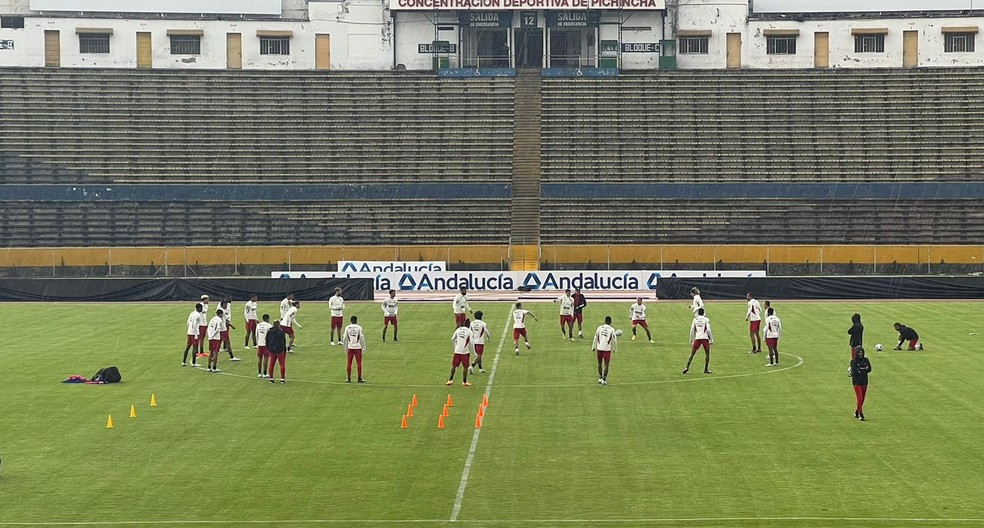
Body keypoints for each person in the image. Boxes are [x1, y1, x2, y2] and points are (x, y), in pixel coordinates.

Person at [684, 307, 713, 374]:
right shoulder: (706, 319)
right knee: (707, 353)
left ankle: (687, 367)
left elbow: (692, 329)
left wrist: (691, 339)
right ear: (703, 313)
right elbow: (708, 329)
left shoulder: (695, 319)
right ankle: (706, 369)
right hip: (705, 338)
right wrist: (711, 339)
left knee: (692, 353)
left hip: (697, 338)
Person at [592, 316, 618, 385]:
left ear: (605, 321)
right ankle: (604, 379)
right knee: (606, 364)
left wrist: (593, 347)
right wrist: (615, 349)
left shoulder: (599, 328)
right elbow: (614, 340)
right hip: (607, 349)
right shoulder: (612, 329)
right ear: (610, 322)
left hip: (599, 348)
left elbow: (595, 337)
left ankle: (600, 377)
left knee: (599, 363)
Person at [448, 319, 474, 386]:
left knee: (454, 366)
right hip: (465, 352)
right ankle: (464, 381)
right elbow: (472, 342)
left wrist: (455, 347)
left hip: (457, 351)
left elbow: (452, 339)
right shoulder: (469, 331)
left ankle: (450, 380)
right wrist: (473, 351)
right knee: (465, 367)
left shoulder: (458, 329)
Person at [849, 346, 872, 421]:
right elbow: (855, 371)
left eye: (861, 352)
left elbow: (869, 369)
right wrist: (863, 369)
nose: (860, 354)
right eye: (859, 352)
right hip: (857, 382)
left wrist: (861, 370)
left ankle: (857, 411)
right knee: (859, 398)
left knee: (862, 399)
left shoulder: (866, 360)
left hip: (864, 382)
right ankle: (861, 414)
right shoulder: (853, 362)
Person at [344, 315, 367, 383]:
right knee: (359, 363)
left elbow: (345, 338)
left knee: (349, 363)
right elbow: (362, 338)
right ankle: (359, 378)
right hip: (357, 347)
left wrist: (345, 347)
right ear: (356, 321)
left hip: (350, 347)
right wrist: (364, 347)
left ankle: (348, 378)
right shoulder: (359, 328)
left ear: (351, 321)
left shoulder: (347, 328)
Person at [183, 303, 205, 367]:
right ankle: (194, 362)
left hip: (189, 332)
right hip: (194, 333)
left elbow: (187, 322)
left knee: (188, 346)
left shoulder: (191, 313)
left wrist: (189, 329)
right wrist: (195, 334)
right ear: (198, 308)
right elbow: (195, 324)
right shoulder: (198, 315)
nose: (202, 309)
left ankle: (184, 361)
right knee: (195, 347)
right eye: (201, 308)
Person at [255, 314, 273, 378]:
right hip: (266, 344)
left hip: (260, 343)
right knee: (266, 358)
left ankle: (259, 373)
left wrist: (257, 343)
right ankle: (265, 373)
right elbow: (270, 336)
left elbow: (256, 334)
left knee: (259, 358)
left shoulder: (258, 325)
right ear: (267, 319)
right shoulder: (269, 326)